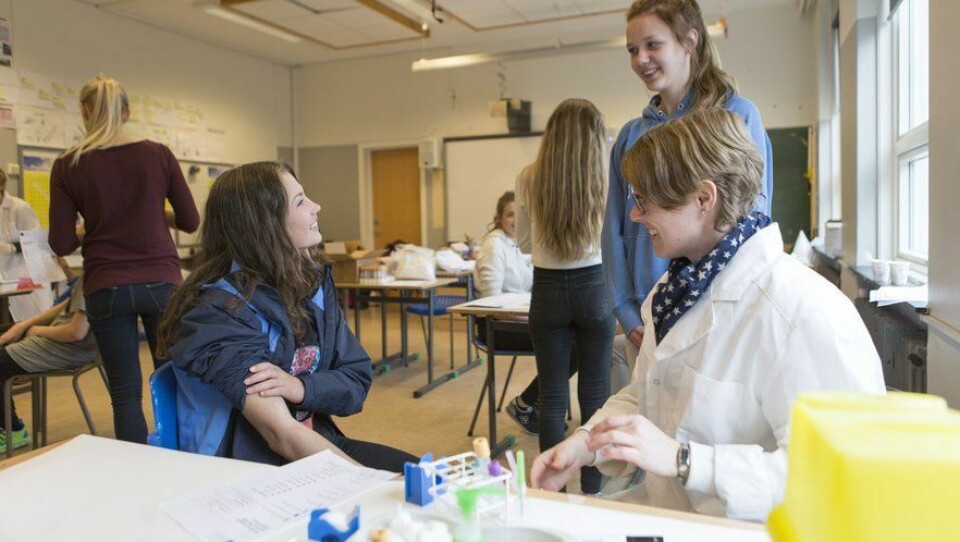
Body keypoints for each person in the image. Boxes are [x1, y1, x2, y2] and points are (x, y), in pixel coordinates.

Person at [530, 108, 884, 522]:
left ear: (703, 198)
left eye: (645, 200)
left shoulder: (803, 312)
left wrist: (686, 461)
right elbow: (649, 392)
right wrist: (586, 444)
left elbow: (841, 476)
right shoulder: (674, 292)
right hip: (675, 516)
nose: (635, 216)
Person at [156, 162, 417, 471]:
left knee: (431, 483)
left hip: (309, 443)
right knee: (400, 494)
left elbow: (355, 380)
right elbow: (280, 434)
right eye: (300, 200)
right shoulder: (217, 311)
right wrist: (369, 483)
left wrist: (300, 387)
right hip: (248, 467)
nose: (316, 206)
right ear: (265, 223)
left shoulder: (311, 284)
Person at [602, 0, 774, 393]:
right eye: (632, 50)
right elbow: (613, 228)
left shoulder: (736, 116)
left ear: (689, 41)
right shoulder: (631, 135)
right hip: (646, 320)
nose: (641, 59)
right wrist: (627, 314)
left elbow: (750, 225)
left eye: (652, 45)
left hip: (715, 317)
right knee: (643, 419)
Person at [49, 75, 200, 444]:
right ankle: (182, 460)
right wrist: (151, 212)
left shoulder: (68, 165)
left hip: (106, 286)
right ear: (128, 112)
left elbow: (62, 242)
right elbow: (190, 221)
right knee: (171, 381)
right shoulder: (158, 154)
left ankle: (135, 475)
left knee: (124, 394)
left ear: (84, 111)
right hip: (161, 282)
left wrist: (94, 226)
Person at [516, 98, 615, 494]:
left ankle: (550, 490)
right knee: (595, 395)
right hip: (594, 288)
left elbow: (523, 241)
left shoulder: (528, 176)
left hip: (548, 290)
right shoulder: (607, 173)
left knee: (553, 397)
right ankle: (593, 488)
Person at [0, 267, 98, 454]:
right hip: (60, 337)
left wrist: (37, 330)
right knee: (6, 339)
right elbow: (66, 306)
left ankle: (12, 429)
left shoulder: (99, 271)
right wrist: (23, 325)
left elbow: (76, 332)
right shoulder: (92, 267)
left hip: (68, 347)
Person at [0, 169, 40, 258]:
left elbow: (36, 240)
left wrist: (13, 248)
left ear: (1, 187)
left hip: (16, 269)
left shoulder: (19, 207)